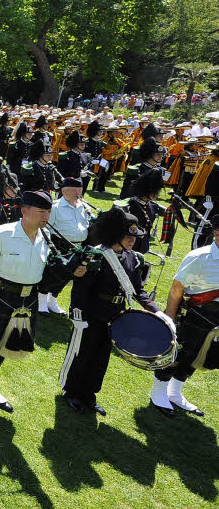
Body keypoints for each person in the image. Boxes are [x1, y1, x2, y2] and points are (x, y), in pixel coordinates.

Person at [0, 190, 85, 413]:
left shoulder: (45, 237)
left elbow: (52, 269)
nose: (46, 216)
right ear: (24, 211)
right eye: (41, 211)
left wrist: (75, 270)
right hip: (0, 295)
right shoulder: (1, 234)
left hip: (27, 298)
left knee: (8, 342)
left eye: (49, 212)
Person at [60, 208, 163, 416]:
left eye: (134, 236)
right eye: (127, 236)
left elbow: (137, 290)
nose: (132, 240)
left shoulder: (132, 258)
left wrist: (156, 310)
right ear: (114, 234)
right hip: (91, 313)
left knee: (101, 357)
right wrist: (79, 316)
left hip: (115, 317)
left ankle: (90, 393)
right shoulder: (95, 254)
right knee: (82, 354)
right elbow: (81, 290)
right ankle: (71, 391)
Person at [148, 217, 219, 417]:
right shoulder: (200, 257)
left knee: (199, 354)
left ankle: (175, 392)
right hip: (195, 313)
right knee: (179, 352)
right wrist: (170, 318)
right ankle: (158, 392)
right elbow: (177, 288)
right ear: (217, 233)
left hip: (215, 318)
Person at [42, 177, 91, 315]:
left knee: (67, 275)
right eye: (75, 190)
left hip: (77, 247)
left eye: (80, 190)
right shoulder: (55, 207)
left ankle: (52, 301)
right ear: (64, 191)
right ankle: (41, 300)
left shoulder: (83, 206)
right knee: (52, 273)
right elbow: (45, 227)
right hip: (58, 244)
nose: (78, 194)